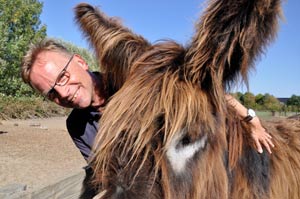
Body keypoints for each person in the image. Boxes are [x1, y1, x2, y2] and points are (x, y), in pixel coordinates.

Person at [20, 39, 274, 162]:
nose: (62, 93)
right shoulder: (77, 126)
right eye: (51, 92)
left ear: (80, 62)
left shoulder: (137, 80)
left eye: (63, 77)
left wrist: (250, 119)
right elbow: (101, 172)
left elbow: (206, 92)